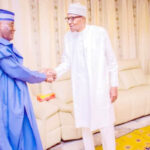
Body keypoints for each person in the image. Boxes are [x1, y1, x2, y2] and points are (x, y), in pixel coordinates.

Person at [51, 3, 118, 150]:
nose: (69, 22)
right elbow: (66, 62)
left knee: (105, 124)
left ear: (83, 18)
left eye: (73, 18)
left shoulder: (99, 33)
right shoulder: (68, 37)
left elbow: (111, 62)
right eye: (67, 19)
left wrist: (114, 85)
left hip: (100, 87)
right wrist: (54, 72)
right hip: (81, 89)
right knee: (85, 125)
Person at [0, 9, 54, 150]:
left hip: (13, 101)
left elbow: (19, 70)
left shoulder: (5, 47)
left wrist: (37, 73)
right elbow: (16, 70)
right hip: (6, 103)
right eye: (10, 25)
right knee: (10, 136)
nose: (14, 29)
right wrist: (42, 76)